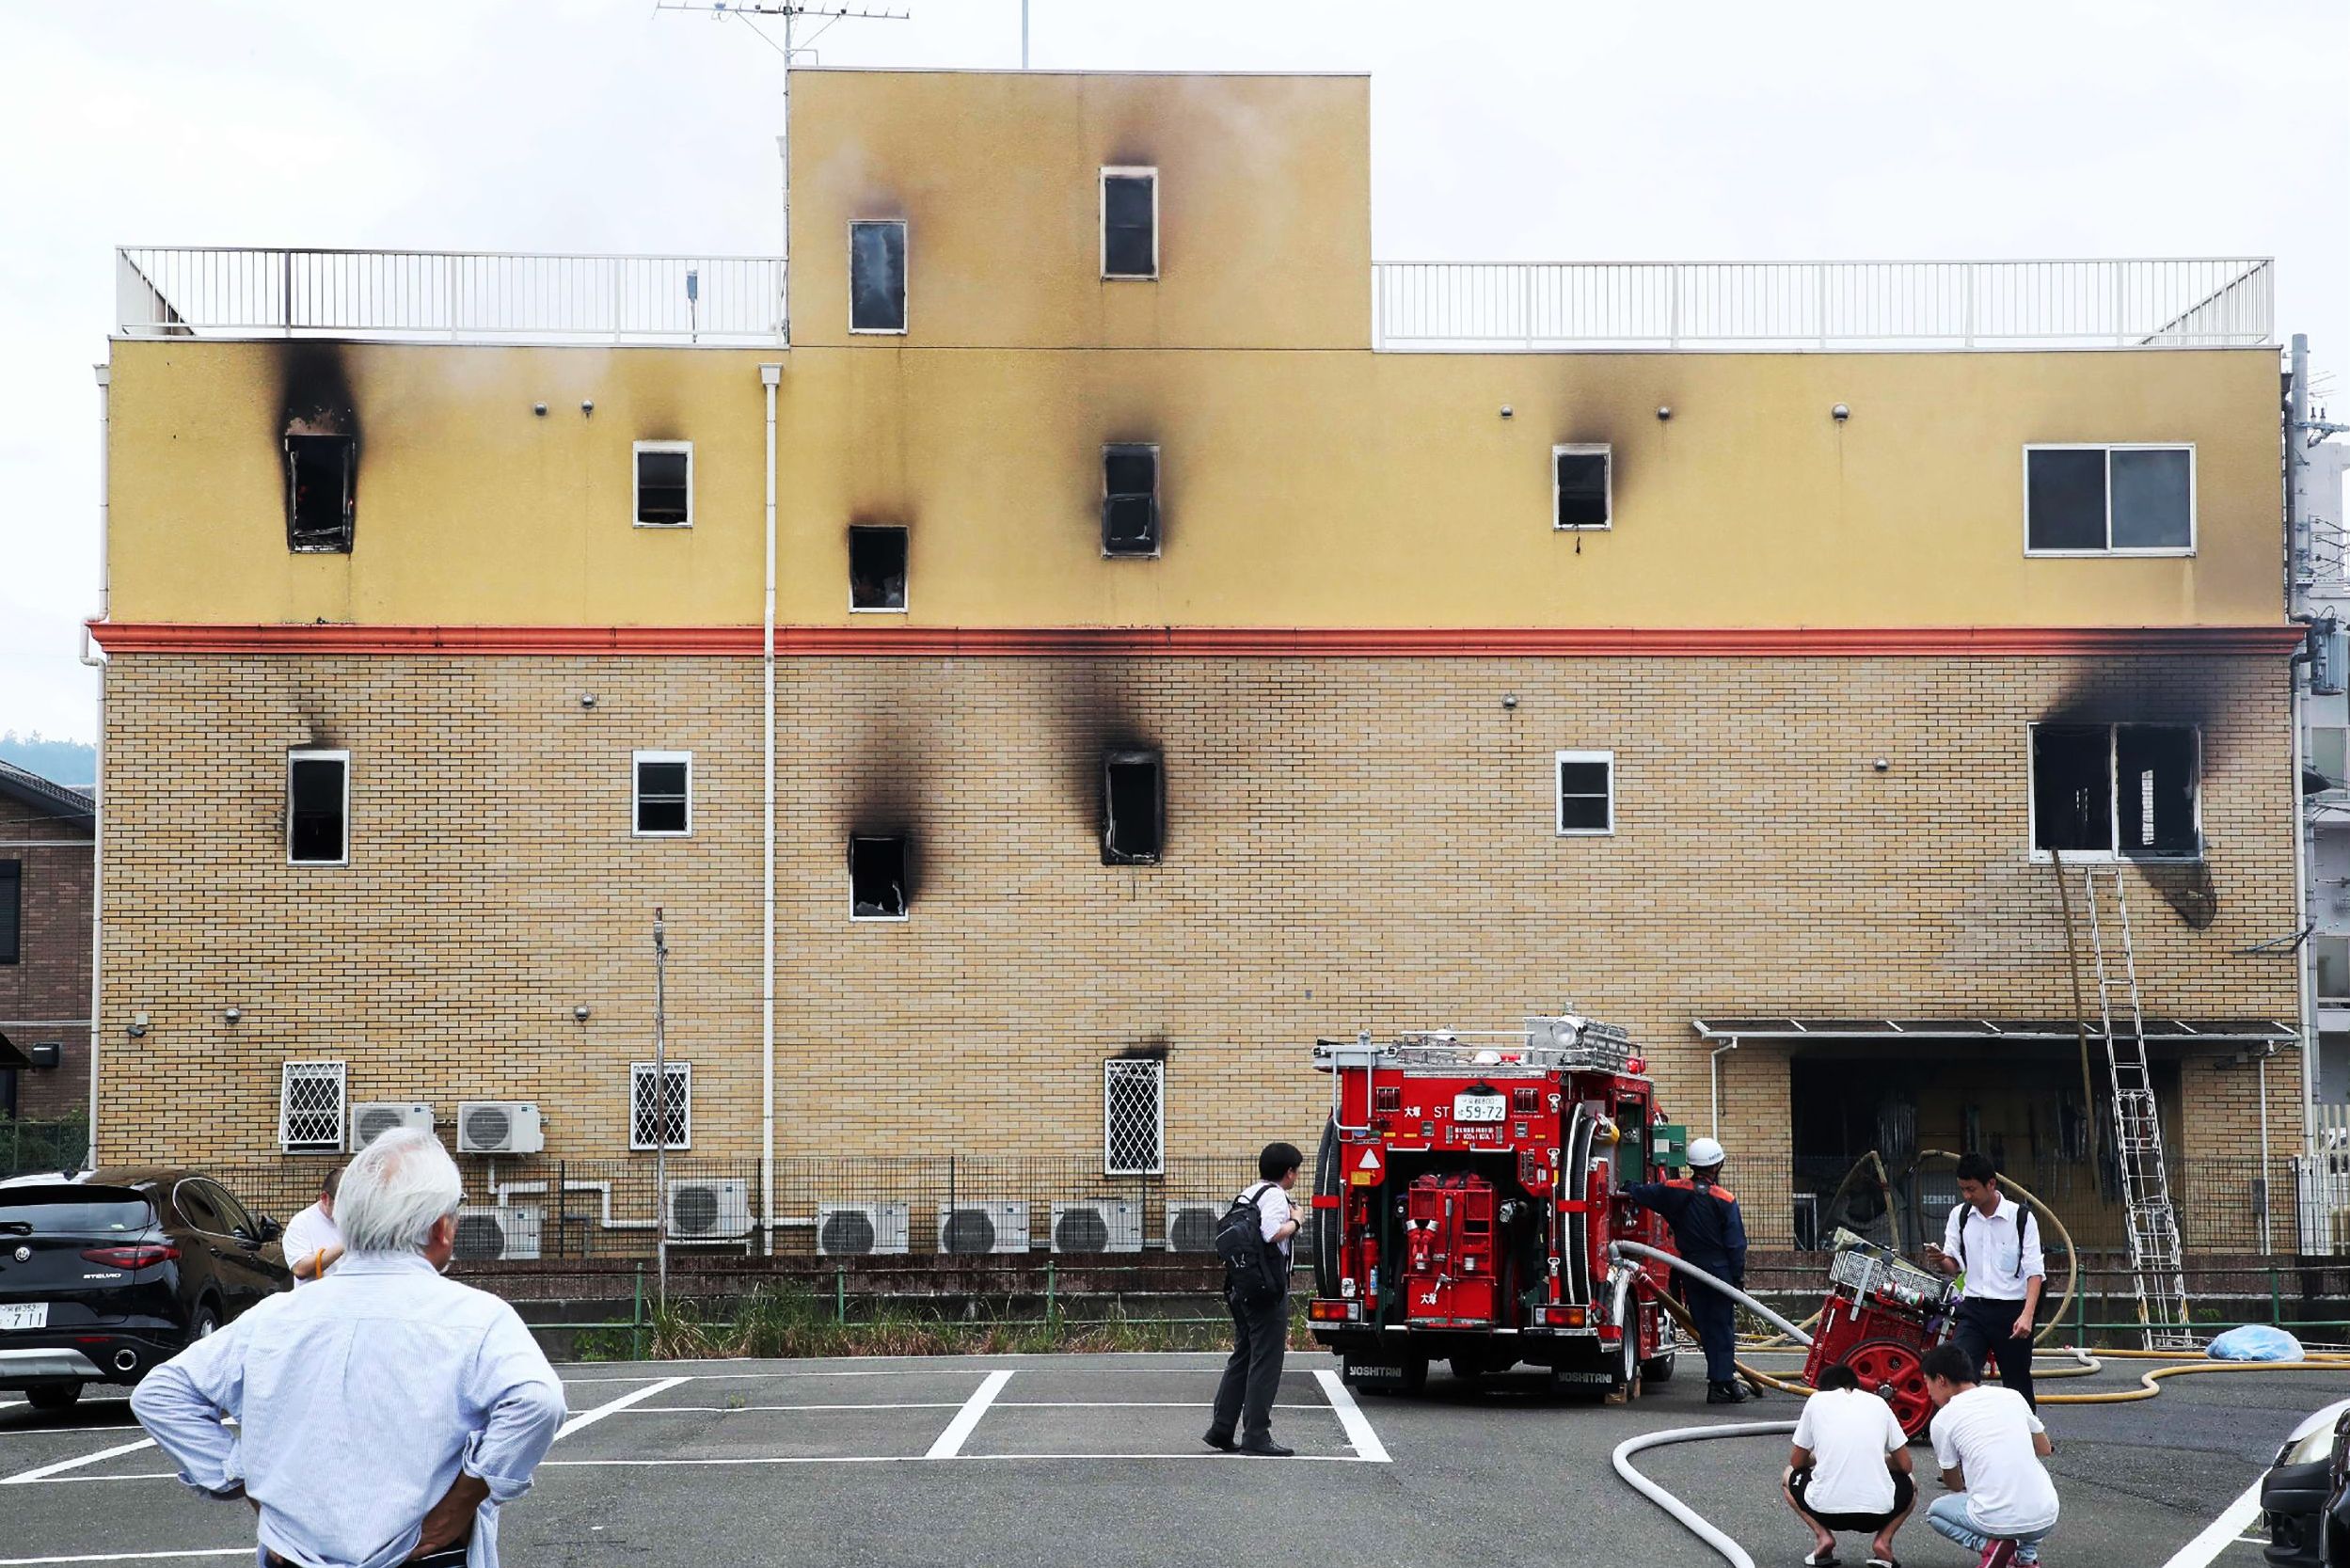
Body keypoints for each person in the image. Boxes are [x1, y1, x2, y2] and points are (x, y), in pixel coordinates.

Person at [131, 1129, 568, 1568]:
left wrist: (247, 1484)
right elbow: (537, 1402)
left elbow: (161, 1393)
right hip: (429, 1553)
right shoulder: (478, 1317)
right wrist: (460, 1505)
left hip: (297, 1557)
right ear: (441, 1229)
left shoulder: (275, 1317)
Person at [1623, 1134, 1753, 1403]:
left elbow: (1644, 1193)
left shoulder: (1673, 1190)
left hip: (1689, 1268)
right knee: (1722, 1327)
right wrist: (1737, 1278)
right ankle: (1720, 1383)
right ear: (1717, 1166)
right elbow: (1736, 1244)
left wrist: (1629, 1187)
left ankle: (1724, 1380)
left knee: (1705, 1326)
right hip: (1719, 1270)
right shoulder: (1725, 1199)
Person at [1922, 1151, 2045, 1409]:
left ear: (1991, 1184)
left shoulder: (2021, 1218)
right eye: (1963, 1189)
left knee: (2017, 1382)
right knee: (1958, 1373)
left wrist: (2027, 1316)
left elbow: (2035, 1272)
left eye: (1972, 1189)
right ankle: (1966, 1434)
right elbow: (1953, 1266)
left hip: (2011, 1310)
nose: (1967, 1195)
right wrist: (1939, 1258)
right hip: (1973, 1308)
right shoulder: (1961, 1215)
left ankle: (2030, 1441)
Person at [1920, 1340, 2059, 1568]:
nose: (1927, 1391)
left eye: (1927, 1382)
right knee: (2029, 1487)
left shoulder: (1943, 1420)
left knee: (1936, 1511)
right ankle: (2025, 1559)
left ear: (1941, 1380)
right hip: (2045, 1515)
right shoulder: (2011, 1396)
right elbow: (2044, 1449)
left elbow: (1953, 1483)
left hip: (1996, 1520)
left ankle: (1989, 1547)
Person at [1205, 1140, 1303, 1458]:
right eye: (1296, 1171)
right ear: (1288, 1172)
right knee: (1266, 1361)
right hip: (1266, 1289)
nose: (1296, 1176)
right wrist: (1297, 1221)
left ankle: (1222, 1428)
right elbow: (1270, 1233)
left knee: (1243, 1355)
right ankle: (1256, 1434)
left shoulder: (1249, 1193)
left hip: (1242, 1287)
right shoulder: (1274, 1196)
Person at [1782, 1362, 1915, 1568]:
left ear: (1823, 1388)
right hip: (1877, 1515)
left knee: (1788, 1475)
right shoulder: (1879, 1403)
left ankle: (1822, 1537)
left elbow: (1796, 1461)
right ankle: (1883, 1542)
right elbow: (1906, 1466)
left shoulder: (1817, 1401)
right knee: (1911, 1483)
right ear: (1855, 1386)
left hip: (1825, 1512)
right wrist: (1876, 1461)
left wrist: (1821, 1458)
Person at [279, 1165, 345, 1285]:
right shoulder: (301, 1223)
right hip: (317, 1302)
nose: (350, 1212)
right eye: (344, 1206)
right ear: (325, 1198)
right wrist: (347, 1243)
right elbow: (300, 1269)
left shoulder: (360, 1221)